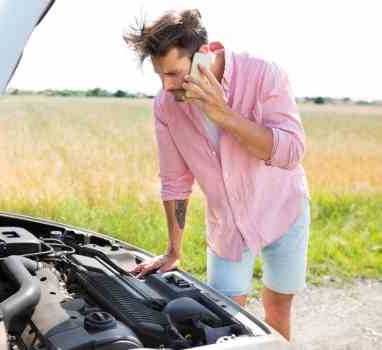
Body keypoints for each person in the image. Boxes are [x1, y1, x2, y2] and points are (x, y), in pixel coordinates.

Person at [124, 9, 310, 341]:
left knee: (277, 307)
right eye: (159, 75)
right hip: (228, 226)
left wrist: (221, 113)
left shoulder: (263, 74)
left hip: (283, 212)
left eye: (175, 73)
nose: (166, 86)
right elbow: (175, 180)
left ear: (204, 58)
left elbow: (290, 152)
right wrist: (173, 251)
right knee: (226, 318)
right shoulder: (166, 105)